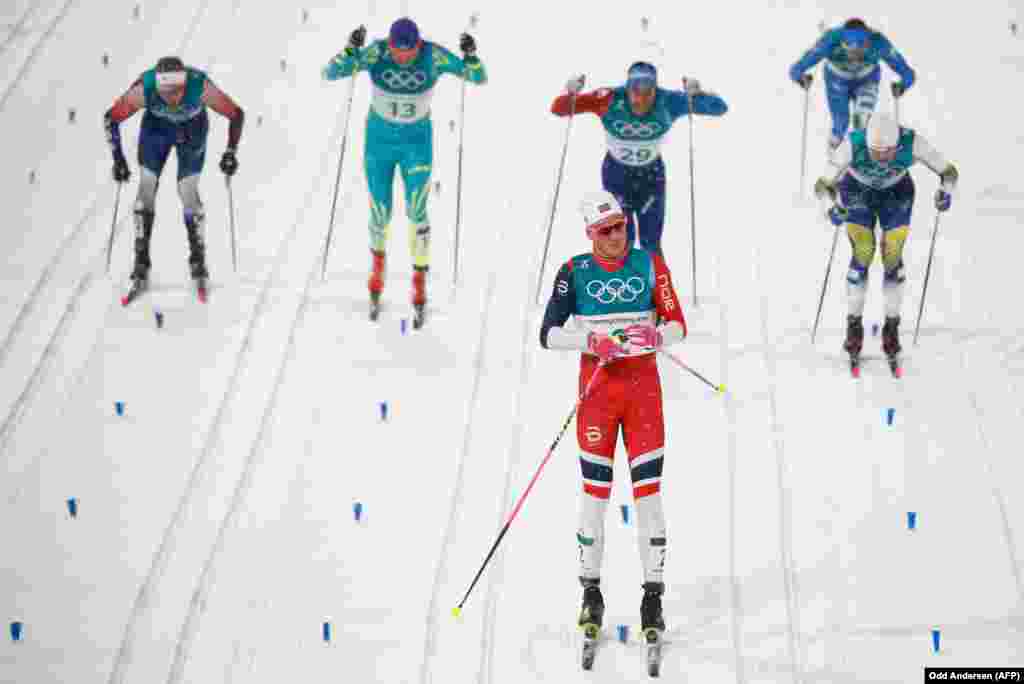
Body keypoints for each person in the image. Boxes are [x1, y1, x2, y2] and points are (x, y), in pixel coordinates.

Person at [539, 190, 688, 642]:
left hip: (643, 395)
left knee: (649, 496)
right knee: (594, 498)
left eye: (621, 226)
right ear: (590, 234)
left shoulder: (649, 264)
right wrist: (591, 342)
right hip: (598, 397)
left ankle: (653, 599)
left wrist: (657, 335)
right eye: (606, 230)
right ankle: (591, 594)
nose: (617, 236)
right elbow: (547, 334)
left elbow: (678, 324)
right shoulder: (574, 272)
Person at [323, 17, 487, 327]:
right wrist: (350, 49)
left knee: (416, 209)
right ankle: (376, 272)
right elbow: (330, 72)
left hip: (416, 144)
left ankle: (419, 281)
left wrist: (470, 56)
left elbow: (478, 76)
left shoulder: (434, 56)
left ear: (418, 45)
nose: (403, 57)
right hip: (379, 143)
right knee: (380, 211)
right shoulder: (376, 53)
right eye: (398, 51)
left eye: (409, 52)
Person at [814, 112, 958, 370]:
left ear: (897, 144)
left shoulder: (911, 141)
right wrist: (830, 207)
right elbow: (823, 184)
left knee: (892, 255)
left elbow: (948, 170)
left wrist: (946, 191)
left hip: (897, 194)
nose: (881, 158)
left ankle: (892, 326)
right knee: (863, 252)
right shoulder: (853, 143)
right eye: (875, 152)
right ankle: (853, 326)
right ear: (866, 143)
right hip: (857, 192)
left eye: (888, 152)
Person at [104, 56, 244, 302]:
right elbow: (111, 118)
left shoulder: (200, 86)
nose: (173, 98)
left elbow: (236, 114)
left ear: (186, 83)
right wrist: (117, 158)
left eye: (178, 90)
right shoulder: (144, 89)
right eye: (166, 92)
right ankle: (140, 260)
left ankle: (198, 258)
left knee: (187, 190)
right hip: (156, 130)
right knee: (146, 186)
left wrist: (231, 152)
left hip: (193, 130)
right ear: (157, 86)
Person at [550, 62, 727, 254]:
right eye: (635, 91)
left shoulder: (668, 101)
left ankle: (656, 283)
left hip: (650, 178)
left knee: (650, 244)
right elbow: (558, 108)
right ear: (627, 89)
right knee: (622, 242)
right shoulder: (608, 98)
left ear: (655, 90)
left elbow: (719, 107)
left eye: (647, 92)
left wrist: (698, 94)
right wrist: (570, 93)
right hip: (617, 177)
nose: (640, 100)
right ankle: (622, 282)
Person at [790, 18, 915, 152]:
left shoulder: (879, 42)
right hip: (836, 80)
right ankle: (834, 152)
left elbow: (903, 67)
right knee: (841, 121)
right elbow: (808, 58)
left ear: (868, 42)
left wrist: (904, 84)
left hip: (866, 80)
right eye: (850, 49)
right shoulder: (831, 39)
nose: (855, 55)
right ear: (842, 42)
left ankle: (859, 153)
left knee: (862, 120)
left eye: (861, 49)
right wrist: (799, 76)